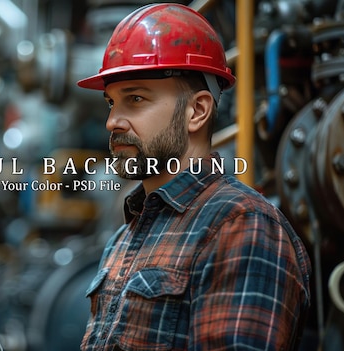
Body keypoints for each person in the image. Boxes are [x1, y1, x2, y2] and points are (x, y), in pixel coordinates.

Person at [76, 3, 312, 350]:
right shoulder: (123, 239)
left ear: (197, 111)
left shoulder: (241, 228)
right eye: (112, 102)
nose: (113, 121)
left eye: (135, 98)